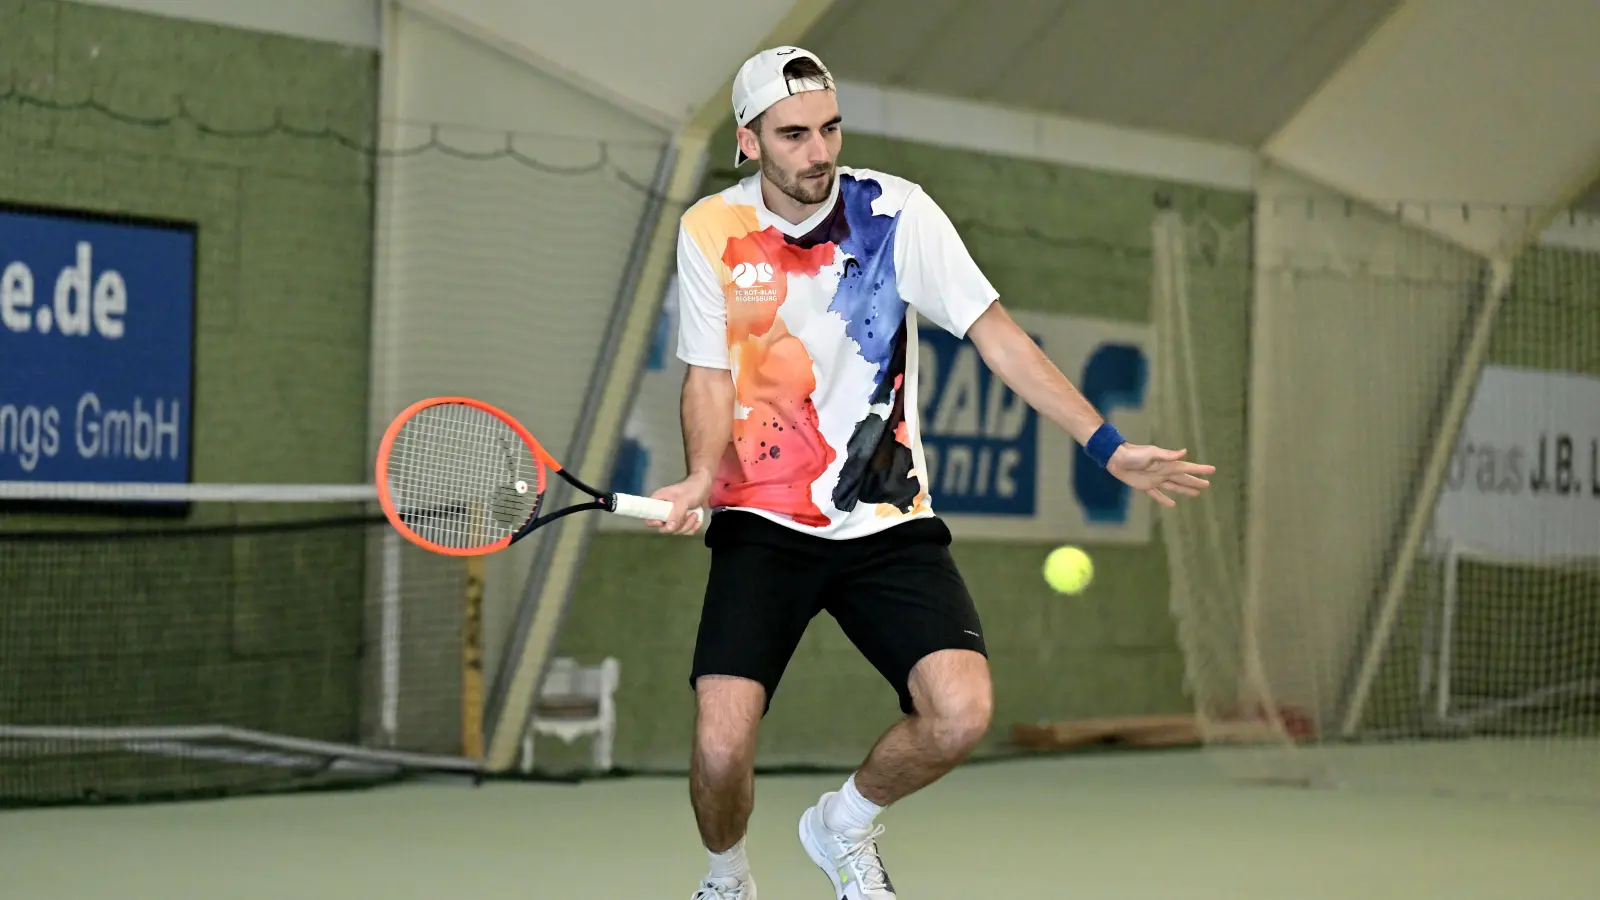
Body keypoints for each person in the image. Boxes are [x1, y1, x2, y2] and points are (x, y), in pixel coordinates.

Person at [646, 46, 1216, 900]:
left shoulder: (897, 213)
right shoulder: (710, 232)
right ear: (749, 141)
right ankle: (728, 877)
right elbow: (708, 375)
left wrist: (1107, 445)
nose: (818, 150)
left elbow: (1000, 339)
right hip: (763, 518)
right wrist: (698, 476)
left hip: (886, 513)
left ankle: (841, 825)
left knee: (961, 713)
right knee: (722, 747)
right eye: (794, 134)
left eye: (830, 128)